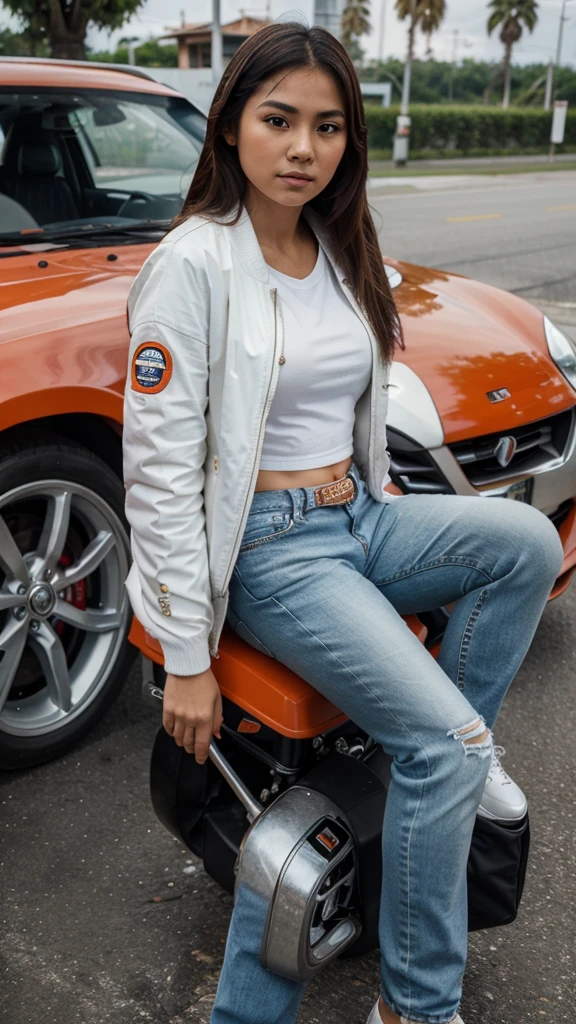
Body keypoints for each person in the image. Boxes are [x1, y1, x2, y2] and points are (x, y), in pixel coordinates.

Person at [121, 21, 564, 1024]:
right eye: (278, 120)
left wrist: (378, 497)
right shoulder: (192, 266)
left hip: (360, 513)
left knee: (527, 545)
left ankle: (437, 758)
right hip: (273, 550)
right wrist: (187, 652)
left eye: (326, 127)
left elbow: (358, 408)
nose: (302, 148)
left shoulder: (334, 245)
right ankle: (416, 1005)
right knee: (442, 749)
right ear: (232, 121)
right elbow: (153, 475)